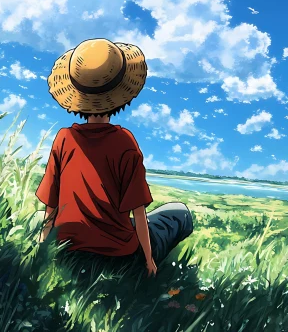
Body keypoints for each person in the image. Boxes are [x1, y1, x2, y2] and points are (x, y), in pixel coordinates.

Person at [35, 38, 193, 276]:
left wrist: (42, 248)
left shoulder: (64, 138)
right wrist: (148, 261)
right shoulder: (124, 142)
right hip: (119, 257)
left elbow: (50, 207)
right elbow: (138, 212)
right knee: (178, 213)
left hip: (68, 251)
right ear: (123, 94)